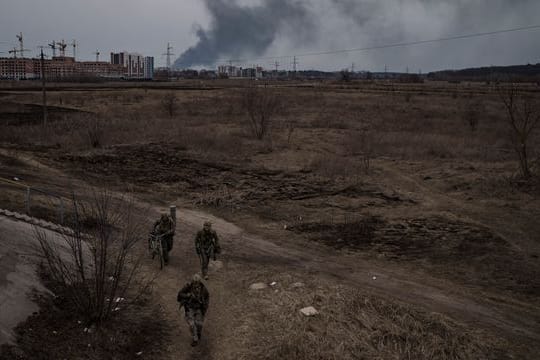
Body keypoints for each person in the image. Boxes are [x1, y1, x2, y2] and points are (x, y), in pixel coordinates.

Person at [177, 274, 210, 347]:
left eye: (197, 283)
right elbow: (180, 294)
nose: (195, 284)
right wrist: (188, 296)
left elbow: (207, 298)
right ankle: (195, 338)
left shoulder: (203, 289)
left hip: (199, 308)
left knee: (199, 324)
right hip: (189, 308)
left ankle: (198, 333)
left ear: (199, 282)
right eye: (194, 282)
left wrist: (205, 307)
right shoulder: (188, 286)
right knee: (192, 324)